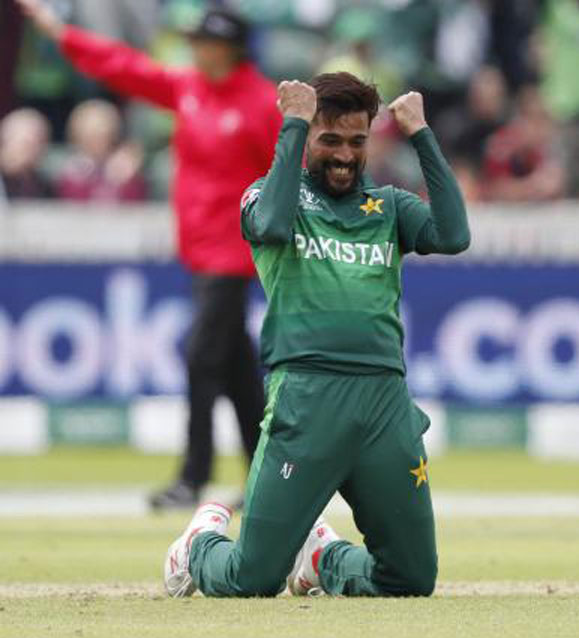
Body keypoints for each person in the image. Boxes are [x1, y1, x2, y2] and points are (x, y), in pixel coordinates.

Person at [164, 72, 470, 599]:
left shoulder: (389, 207)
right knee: (252, 579)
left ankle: (323, 558)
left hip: (384, 402)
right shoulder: (268, 195)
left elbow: (454, 235)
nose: (345, 156)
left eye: (357, 141)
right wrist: (293, 123)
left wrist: (421, 135)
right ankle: (197, 547)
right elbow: (271, 226)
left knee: (410, 579)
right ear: (305, 137)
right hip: (306, 399)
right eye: (330, 140)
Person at [15, 0, 281, 509]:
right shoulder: (190, 89)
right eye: (195, 41)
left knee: (201, 355)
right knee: (235, 366)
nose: (196, 50)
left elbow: (288, 172)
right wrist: (62, 32)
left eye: (206, 42)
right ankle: (264, 476)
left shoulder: (261, 102)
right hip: (199, 250)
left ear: (231, 48)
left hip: (236, 253)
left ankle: (193, 478)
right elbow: (125, 67)